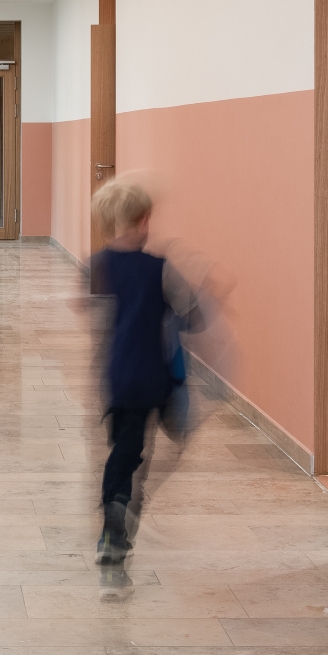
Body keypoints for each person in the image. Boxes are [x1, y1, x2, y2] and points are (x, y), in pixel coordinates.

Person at [84, 179, 203, 565]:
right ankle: (115, 522)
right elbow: (194, 317)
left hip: (116, 375)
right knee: (133, 451)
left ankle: (114, 518)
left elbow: (99, 318)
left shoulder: (97, 265)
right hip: (153, 375)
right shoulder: (160, 268)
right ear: (144, 219)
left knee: (124, 446)